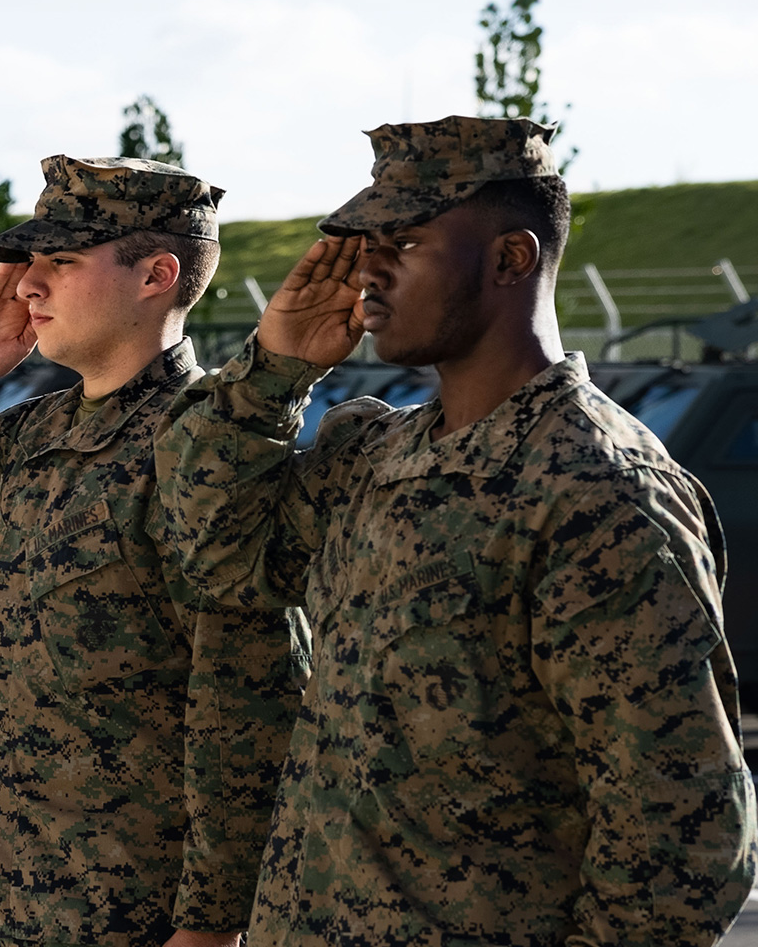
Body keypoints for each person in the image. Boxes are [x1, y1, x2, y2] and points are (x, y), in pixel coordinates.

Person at [154, 115, 758, 945]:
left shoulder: (597, 492)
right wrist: (273, 368)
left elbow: (683, 827)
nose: (368, 271)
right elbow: (218, 557)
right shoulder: (375, 453)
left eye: (403, 244)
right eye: (365, 246)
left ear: (512, 258)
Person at [0, 156, 307, 947]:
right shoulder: (34, 435)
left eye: (62, 262)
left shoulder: (206, 451)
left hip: (142, 909)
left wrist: (213, 927)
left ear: (157, 274)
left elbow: (244, 713)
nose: (27, 286)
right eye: (29, 264)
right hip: (19, 894)